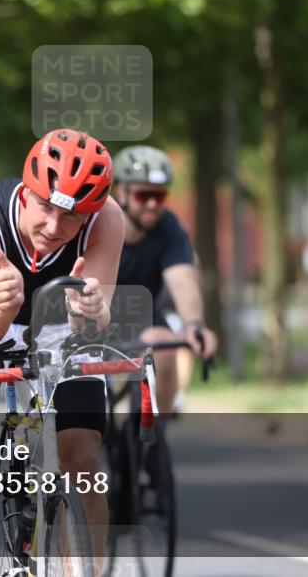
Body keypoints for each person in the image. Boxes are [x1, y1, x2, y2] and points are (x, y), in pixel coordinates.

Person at [0, 129, 124, 577]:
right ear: (25, 191)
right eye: (46, 208)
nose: (55, 228)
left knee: (82, 454)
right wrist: (5, 303)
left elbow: (94, 319)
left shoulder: (107, 220)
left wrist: (90, 310)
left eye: (72, 217)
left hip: (54, 317)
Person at [112, 145, 217, 414]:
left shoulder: (168, 226)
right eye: (144, 194)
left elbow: (182, 277)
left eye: (160, 196)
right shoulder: (99, 220)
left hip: (141, 313)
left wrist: (194, 324)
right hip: (93, 313)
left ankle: (155, 430)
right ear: (121, 193)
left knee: (165, 347)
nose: (152, 204)